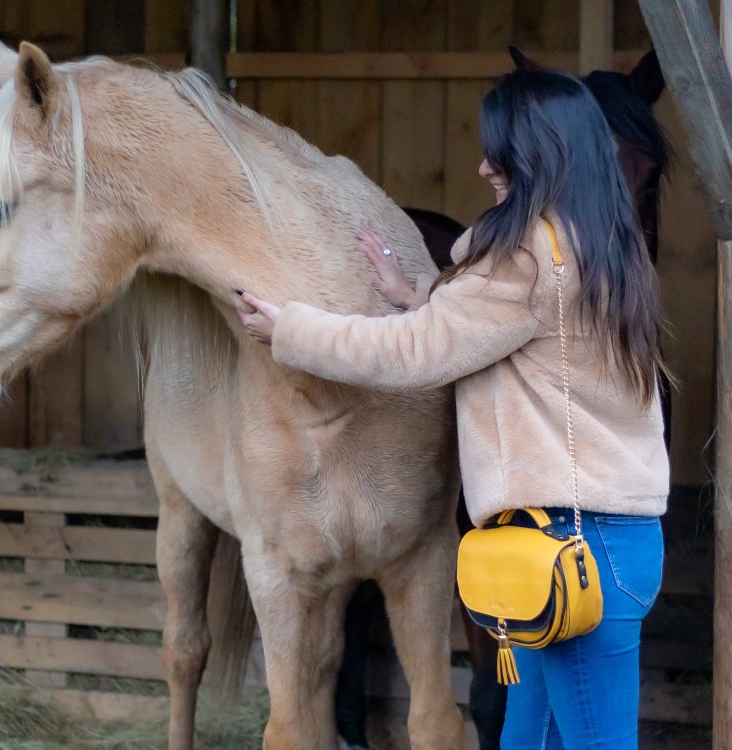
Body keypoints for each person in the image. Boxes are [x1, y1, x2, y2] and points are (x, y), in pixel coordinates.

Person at [235, 66, 669, 750]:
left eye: (500, 150)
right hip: (588, 547)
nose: (484, 166)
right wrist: (426, 295)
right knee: (533, 740)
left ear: (542, 154)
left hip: (568, 549)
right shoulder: (593, 245)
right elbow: (505, 331)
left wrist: (291, 330)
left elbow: (413, 354)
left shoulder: (526, 258)